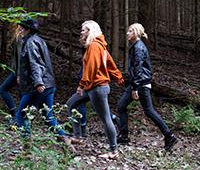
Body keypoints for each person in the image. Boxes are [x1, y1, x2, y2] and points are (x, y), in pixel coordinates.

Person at [66, 20, 124, 159]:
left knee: (105, 118)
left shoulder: (94, 46)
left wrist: (82, 85)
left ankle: (113, 151)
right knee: (71, 104)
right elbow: (109, 63)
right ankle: (78, 136)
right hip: (93, 86)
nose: (81, 32)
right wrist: (118, 77)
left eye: (84, 30)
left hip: (97, 87)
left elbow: (91, 68)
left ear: (91, 31)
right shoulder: (100, 46)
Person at [117, 23, 178, 151]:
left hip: (141, 84)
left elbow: (138, 69)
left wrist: (134, 88)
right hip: (138, 83)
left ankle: (169, 135)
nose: (127, 33)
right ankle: (124, 135)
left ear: (135, 33)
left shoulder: (138, 47)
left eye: (129, 31)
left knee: (149, 111)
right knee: (122, 106)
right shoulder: (135, 46)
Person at [14, 18, 67, 140]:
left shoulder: (30, 42)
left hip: (37, 86)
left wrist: (38, 82)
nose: (20, 29)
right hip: (48, 85)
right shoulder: (39, 40)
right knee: (48, 117)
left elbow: (35, 63)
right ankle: (66, 143)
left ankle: (26, 148)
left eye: (22, 27)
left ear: (28, 30)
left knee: (21, 116)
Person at [0, 24, 22, 119]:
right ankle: (17, 117)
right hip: (17, 71)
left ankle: (18, 118)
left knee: (3, 89)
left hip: (20, 72)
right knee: (4, 90)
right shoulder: (17, 37)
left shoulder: (19, 37)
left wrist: (19, 74)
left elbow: (20, 56)